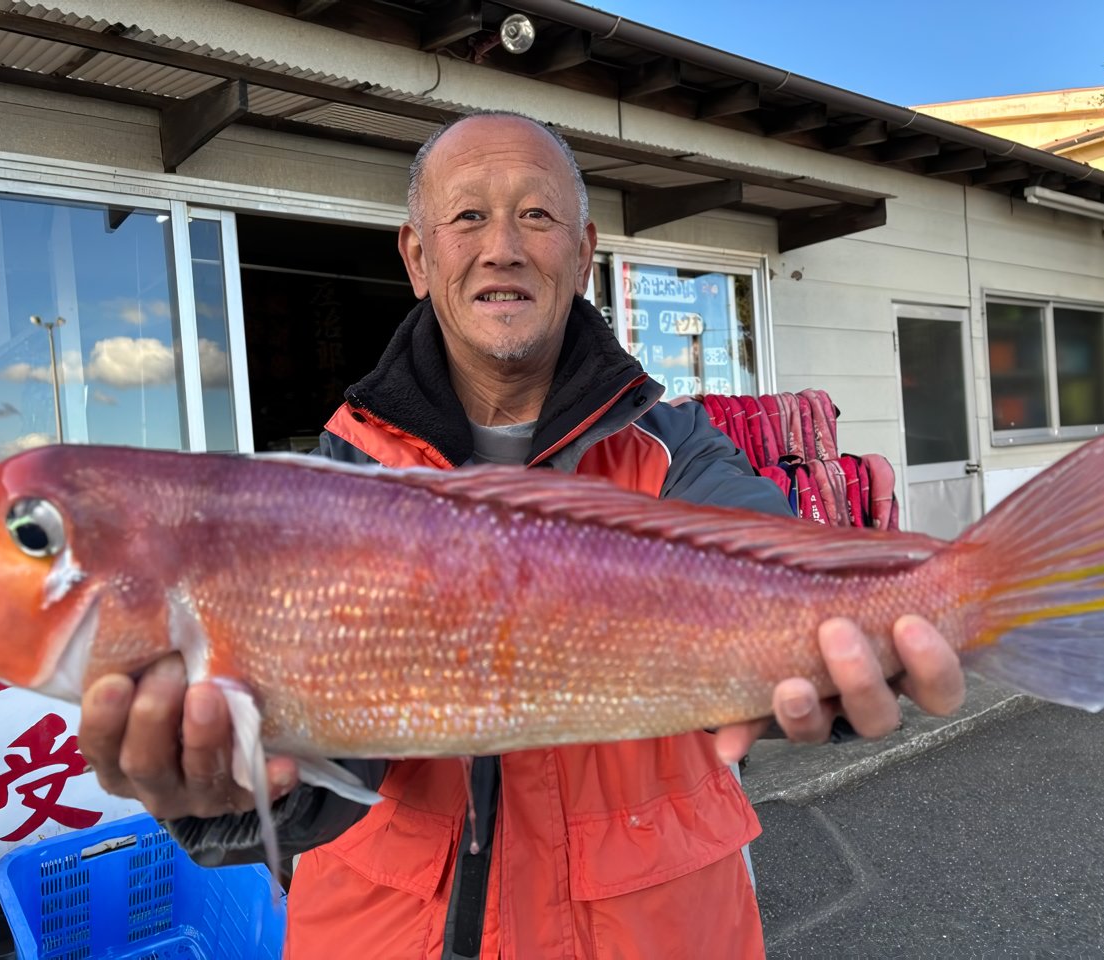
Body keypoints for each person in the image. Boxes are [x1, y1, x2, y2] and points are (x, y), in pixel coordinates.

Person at [78, 112, 966, 959]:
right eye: (467, 217)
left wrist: (859, 662)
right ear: (418, 257)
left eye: (537, 216)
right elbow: (309, 780)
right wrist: (223, 795)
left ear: (581, 254)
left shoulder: (675, 452)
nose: (501, 246)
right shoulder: (335, 486)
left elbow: (781, 585)